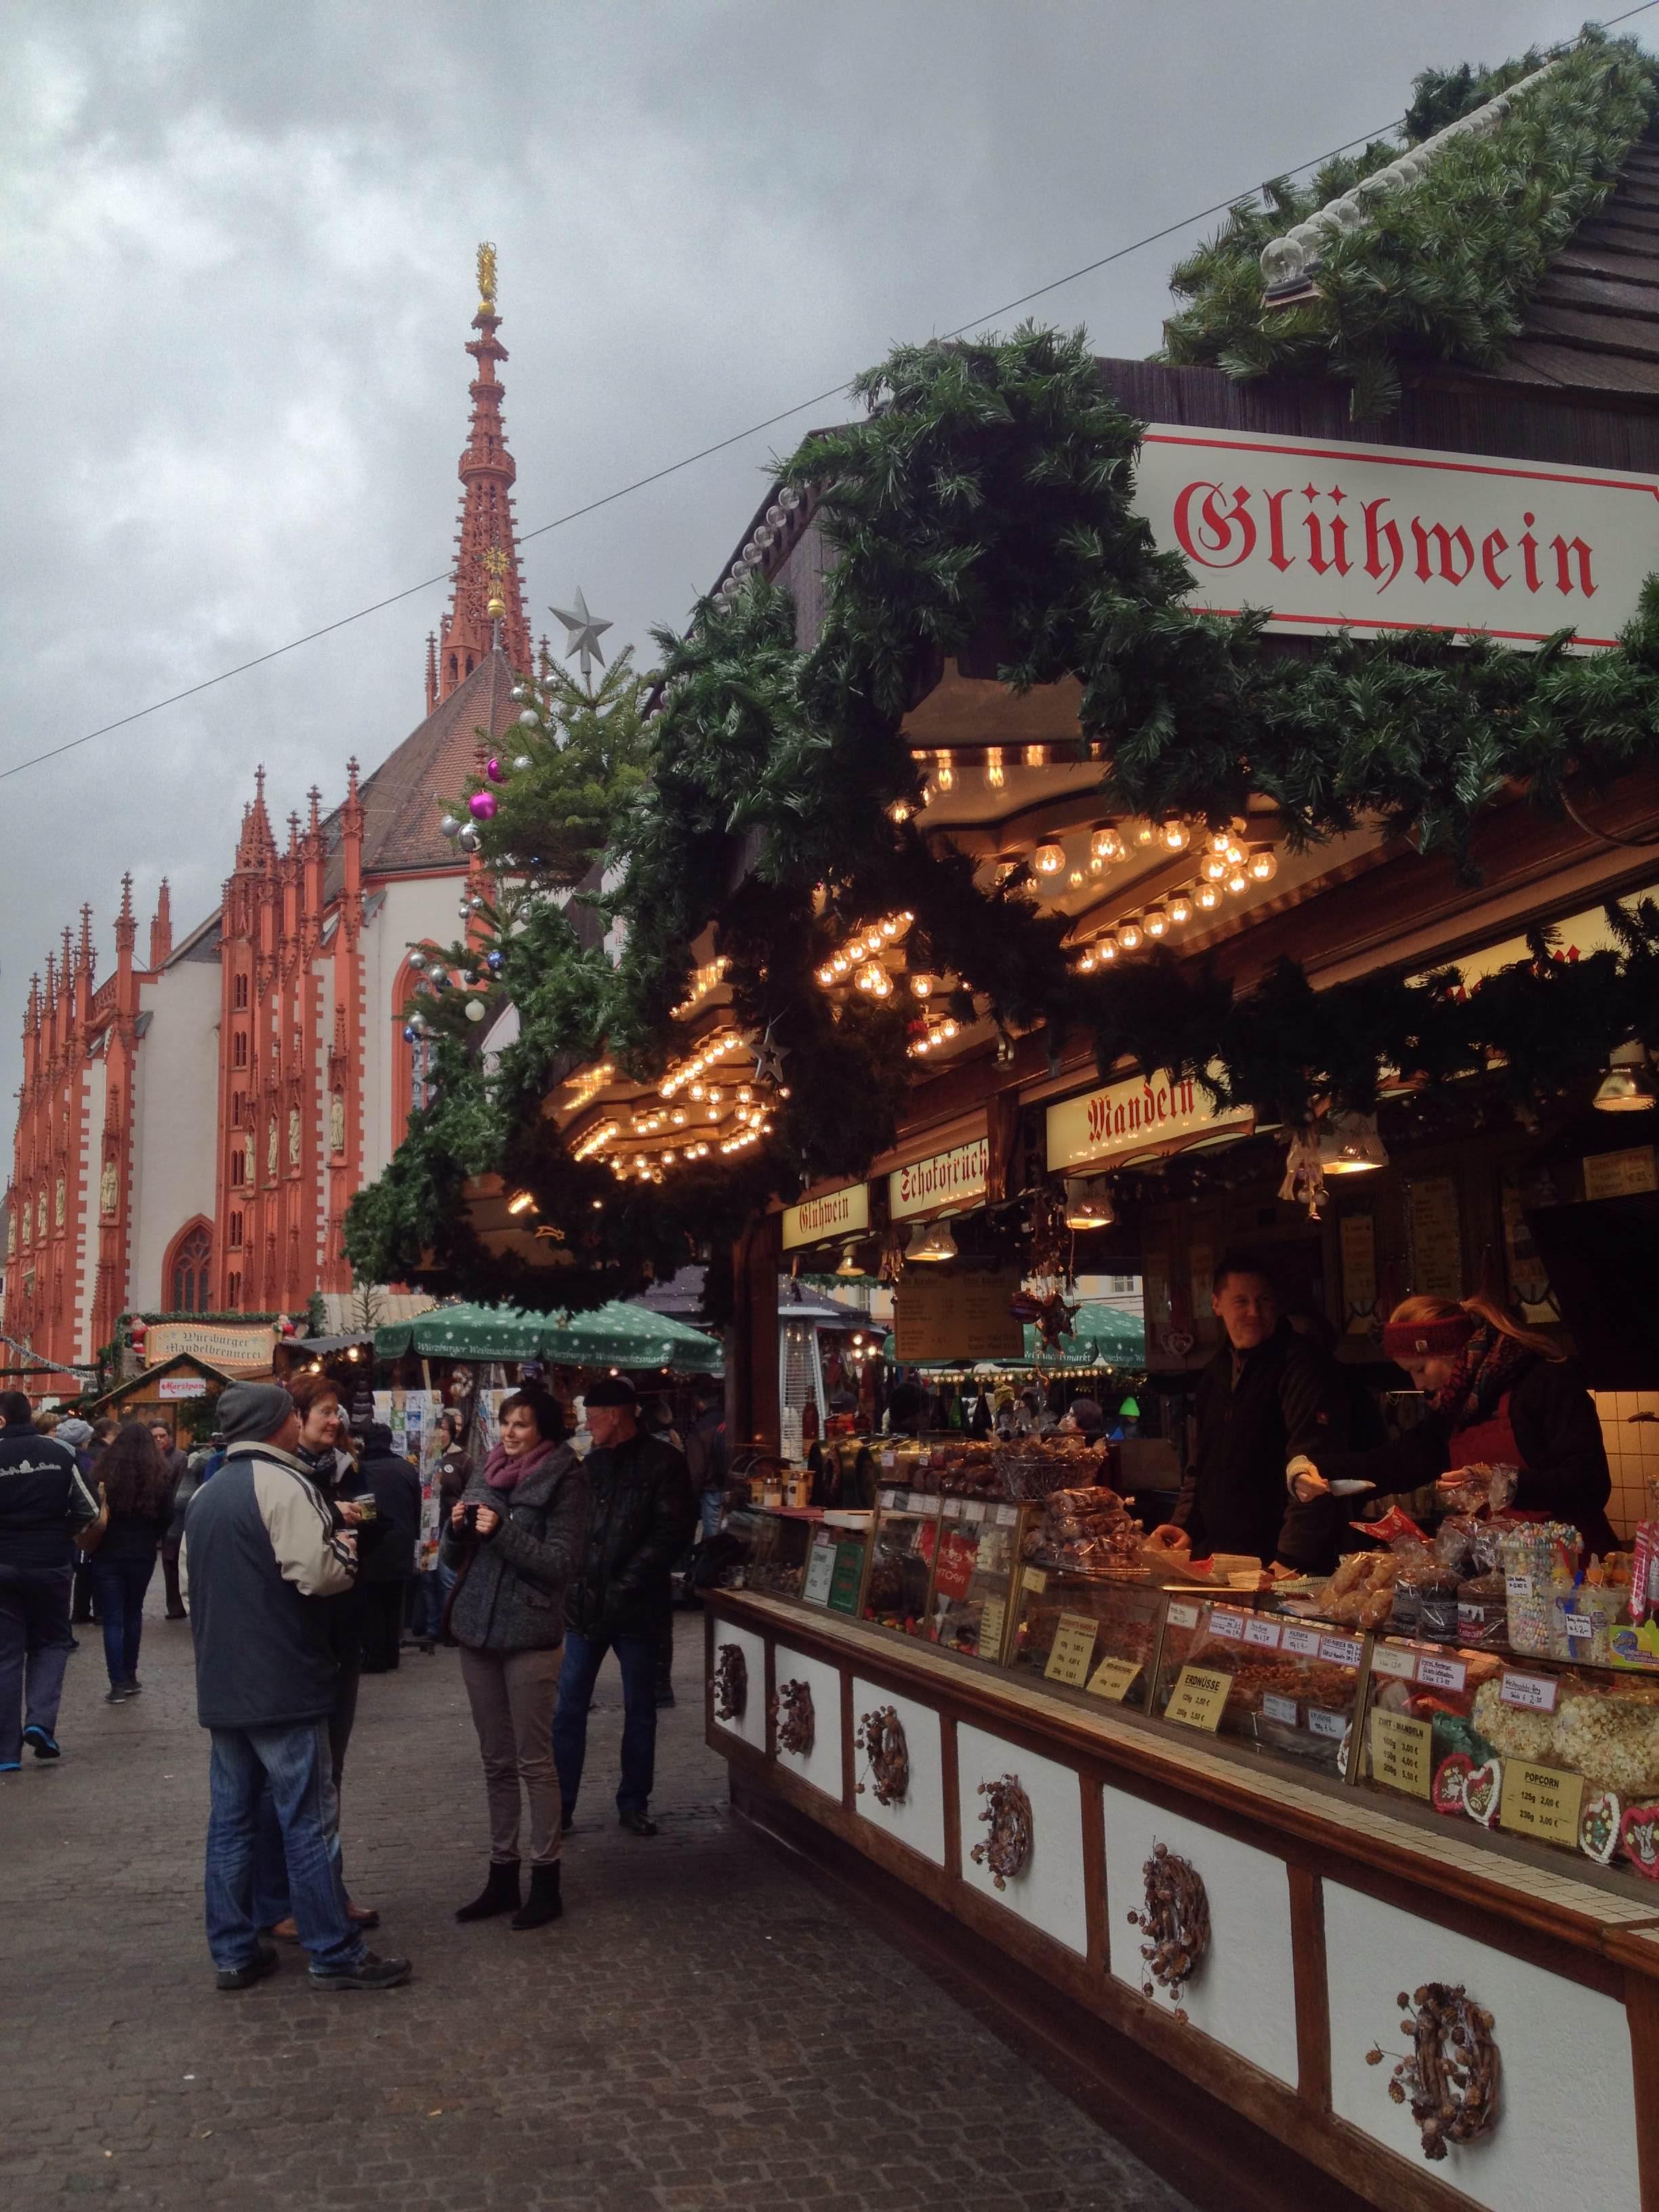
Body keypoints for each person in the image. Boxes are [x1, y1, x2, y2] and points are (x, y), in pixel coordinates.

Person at [180, 1380, 409, 1992]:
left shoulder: (205, 1495)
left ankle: (232, 1951)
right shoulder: (284, 1485)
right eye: (290, 1414)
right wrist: (347, 1549)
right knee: (307, 1819)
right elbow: (322, 1574)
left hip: (224, 1684)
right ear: (277, 1423)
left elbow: (187, 1590)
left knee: (230, 1821)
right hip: (284, 1677)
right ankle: (333, 1950)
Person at [1288, 1292, 1618, 1554]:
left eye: (1420, 1369)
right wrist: (1311, 1467)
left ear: (1452, 1351)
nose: (1418, 1386)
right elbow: (1391, 1464)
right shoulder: (1454, 1412)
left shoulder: (1545, 1383)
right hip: (1511, 1573)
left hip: (1576, 1570)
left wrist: (1503, 1484)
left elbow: (1589, 1484)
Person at [444, 1385, 588, 1930]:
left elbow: (560, 1563)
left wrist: (502, 1532)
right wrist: (457, 1531)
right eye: (506, 1423)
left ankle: (546, 1877)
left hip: (529, 1632)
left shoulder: (567, 1479)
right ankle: (502, 1873)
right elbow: (458, 1554)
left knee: (534, 1760)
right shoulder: (487, 1469)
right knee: (495, 1761)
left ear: (544, 1431)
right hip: (478, 1630)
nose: (510, 1433)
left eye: (522, 1425)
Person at [255, 1372, 380, 1940]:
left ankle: (329, 1890)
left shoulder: (345, 1471)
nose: (335, 1421)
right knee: (286, 1781)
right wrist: (336, 1521)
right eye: (325, 1412)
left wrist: (364, 1522)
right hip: (294, 1643)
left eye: (338, 1413)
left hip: (341, 1635)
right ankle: (279, 1900)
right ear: (295, 1419)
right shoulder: (279, 1476)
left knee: (332, 1773)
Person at [552, 1375, 695, 1839]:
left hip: (636, 1606)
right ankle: (561, 1807)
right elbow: (576, 1526)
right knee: (568, 1706)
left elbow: (671, 1532)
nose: (587, 1426)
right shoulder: (590, 1464)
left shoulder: (664, 1462)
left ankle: (634, 1801)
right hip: (586, 1605)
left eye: (592, 1418)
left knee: (640, 1709)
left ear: (615, 1416)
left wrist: (629, 1581)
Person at [1148, 1252, 1349, 1575]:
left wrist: (1291, 1559)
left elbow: (1314, 1467)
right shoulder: (1214, 1373)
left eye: (1263, 1300)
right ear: (1216, 1304)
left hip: (1281, 1562)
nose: (1254, 1312)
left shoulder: (1301, 1366)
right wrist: (1186, 1525)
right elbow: (1201, 1465)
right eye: (1241, 1302)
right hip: (1223, 1557)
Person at [0, 1390, 99, 1768]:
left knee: (6, 1656)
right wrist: (63, 1532)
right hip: (50, 1562)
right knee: (52, 1642)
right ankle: (40, 1721)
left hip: (3, 1567)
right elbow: (89, 1507)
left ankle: (6, 1753)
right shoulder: (61, 1453)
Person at [89, 1422, 176, 1702]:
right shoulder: (158, 1475)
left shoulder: (104, 1473)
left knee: (113, 1618)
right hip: (141, 1551)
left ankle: (116, 1683)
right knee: (133, 1613)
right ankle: (130, 1675)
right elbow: (167, 1516)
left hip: (107, 1551)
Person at [355, 1422, 422, 1673]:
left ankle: (376, 1657)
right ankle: (392, 1654)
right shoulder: (406, 1468)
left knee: (371, 1601)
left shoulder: (359, 1468)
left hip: (372, 1542)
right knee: (394, 1602)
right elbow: (417, 1509)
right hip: (401, 1543)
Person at [70, 1417, 116, 1628]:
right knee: (95, 1564)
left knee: (83, 1566)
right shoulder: (102, 1457)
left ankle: (80, 1610)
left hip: (80, 1519)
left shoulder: (79, 1456)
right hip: (95, 1516)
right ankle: (98, 1611)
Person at [155, 1418, 196, 1618]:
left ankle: (180, 1606)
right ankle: (174, 1606)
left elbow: (181, 1490)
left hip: (175, 1518)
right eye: (155, 1437)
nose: (159, 1440)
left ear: (170, 1437)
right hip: (155, 1516)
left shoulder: (181, 1458)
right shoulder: (147, 1456)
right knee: (167, 1564)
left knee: (175, 1562)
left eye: (163, 1436)